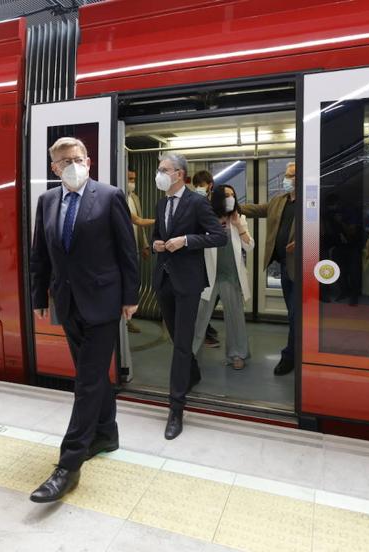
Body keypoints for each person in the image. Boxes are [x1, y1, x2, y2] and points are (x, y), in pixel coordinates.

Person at [29, 137, 139, 502]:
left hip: (105, 302)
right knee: (91, 376)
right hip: (68, 302)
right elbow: (39, 255)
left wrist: (130, 297)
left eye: (78, 158)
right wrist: (38, 295)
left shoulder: (110, 196)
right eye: (64, 162)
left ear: (88, 161)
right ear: (54, 168)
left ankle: (69, 462)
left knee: (87, 382)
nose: (72, 165)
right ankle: (106, 434)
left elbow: (128, 251)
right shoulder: (46, 202)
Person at [152, 153, 226, 440]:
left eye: (163, 170)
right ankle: (192, 372)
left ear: (179, 174)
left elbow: (217, 236)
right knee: (176, 337)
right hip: (164, 280)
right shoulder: (161, 203)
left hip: (188, 282)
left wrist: (186, 241)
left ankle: (176, 409)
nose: (159, 174)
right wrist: (156, 243)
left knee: (182, 344)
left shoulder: (196, 202)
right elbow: (157, 235)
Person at [240, 162, 297, 375]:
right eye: (287, 175)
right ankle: (295, 352)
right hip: (284, 266)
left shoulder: (311, 201)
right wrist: (228, 205)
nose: (287, 179)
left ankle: (291, 356)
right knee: (294, 314)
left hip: (302, 269)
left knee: (294, 315)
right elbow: (256, 209)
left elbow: (321, 230)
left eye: (291, 175)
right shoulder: (279, 200)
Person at [191, 184, 253, 370]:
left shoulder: (239, 217)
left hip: (231, 276)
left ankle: (237, 354)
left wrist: (239, 226)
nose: (231, 198)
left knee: (235, 317)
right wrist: (213, 227)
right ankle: (190, 354)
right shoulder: (206, 218)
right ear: (218, 197)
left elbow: (250, 246)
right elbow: (196, 242)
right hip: (208, 277)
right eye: (226, 195)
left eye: (233, 195)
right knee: (199, 318)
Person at [191, 169, 220, 348]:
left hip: (215, 254)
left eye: (201, 185)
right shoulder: (193, 203)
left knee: (211, 296)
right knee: (202, 298)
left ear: (210, 185)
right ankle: (203, 331)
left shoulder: (216, 203)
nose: (198, 189)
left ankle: (205, 328)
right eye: (196, 186)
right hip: (198, 254)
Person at [124, 170, 154, 334]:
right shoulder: (117, 197)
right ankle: (123, 321)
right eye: (129, 179)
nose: (132, 182)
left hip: (134, 247)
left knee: (133, 285)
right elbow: (138, 220)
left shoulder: (134, 198)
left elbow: (139, 225)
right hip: (123, 250)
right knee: (124, 285)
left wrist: (144, 245)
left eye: (134, 179)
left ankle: (128, 319)